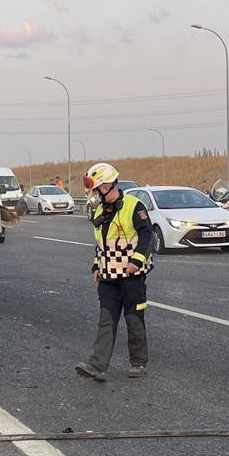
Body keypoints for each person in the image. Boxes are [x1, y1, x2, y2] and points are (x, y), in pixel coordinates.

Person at [75, 162, 153, 382]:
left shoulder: (134, 206)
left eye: (96, 188)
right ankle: (96, 366)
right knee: (106, 321)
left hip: (132, 278)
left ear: (108, 185)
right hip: (108, 278)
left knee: (134, 320)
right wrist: (96, 266)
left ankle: (138, 363)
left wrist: (136, 262)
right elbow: (102, 244)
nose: (94, 194)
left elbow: (147, 236)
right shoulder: (101, 211)